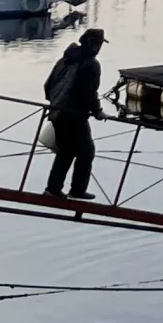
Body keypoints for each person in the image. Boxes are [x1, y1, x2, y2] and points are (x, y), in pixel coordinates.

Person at [42, 27, 106, 199]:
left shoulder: (65, 60)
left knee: (66, 151)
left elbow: (47, 87)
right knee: (87, 152)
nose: (100, 48)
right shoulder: (90, 64)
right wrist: (98, 111)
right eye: (99, 44)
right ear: (94, 44)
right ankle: (77, 190)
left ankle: (53, 189)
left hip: (57, 112)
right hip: (74, 115)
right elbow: (89, 93)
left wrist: (56, 102)